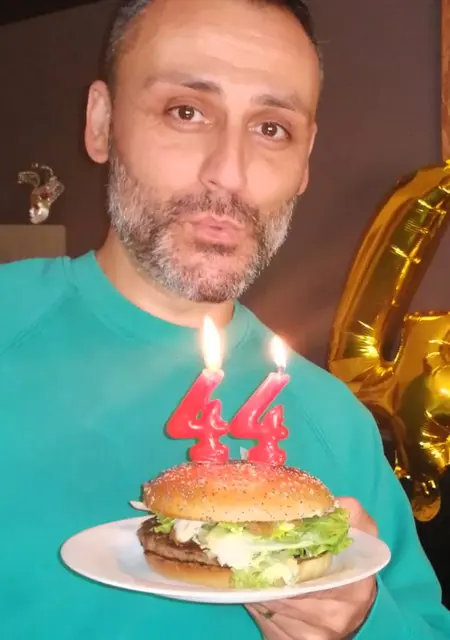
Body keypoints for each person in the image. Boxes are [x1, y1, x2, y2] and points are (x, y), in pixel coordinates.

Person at [1, 0, 449, 638]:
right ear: (102, 122)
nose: (229, 175)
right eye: (186, 111)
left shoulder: (337, 422)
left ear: (305, 162)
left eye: (271, 128)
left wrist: (361, 623)